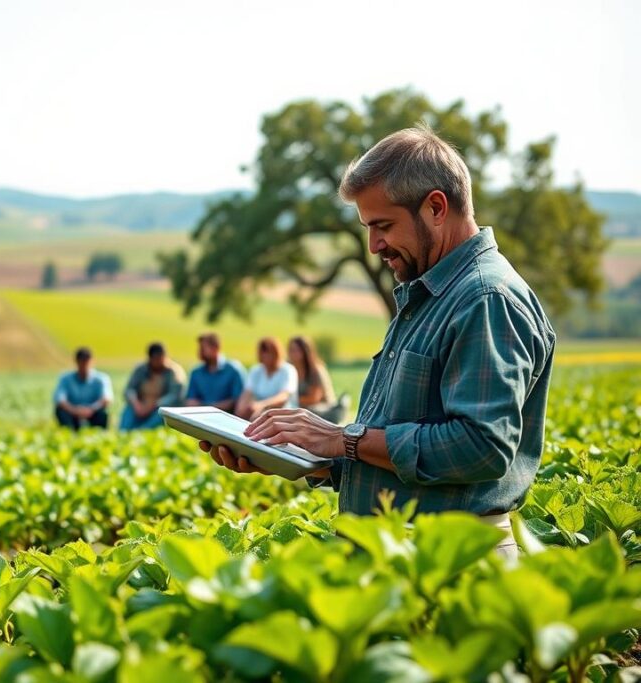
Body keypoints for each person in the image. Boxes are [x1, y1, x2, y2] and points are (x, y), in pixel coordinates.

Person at [202, 127, 555, 558]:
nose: (374, 245)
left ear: (436, 207)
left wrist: (345, 439)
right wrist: (295, 456)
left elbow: (481, 448)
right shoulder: (429, 296)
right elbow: (401, 455)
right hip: (402, 556)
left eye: (383, 225)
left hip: (453, 563)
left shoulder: (484, 299)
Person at [120, 342, 186, 430]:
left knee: (159, 416)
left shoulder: (174, 372)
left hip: (160, 408)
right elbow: (129, 390)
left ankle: (142, 431)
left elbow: (175, 395)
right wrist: (136, 404)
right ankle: (124, 432)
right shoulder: (141, 370)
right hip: (141, 405)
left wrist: (155, 405)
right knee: (128, 411)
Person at [286, 335, 347, 423]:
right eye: (291, 350)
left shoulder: (316, 370)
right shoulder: (289, 369)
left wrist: (289, 400)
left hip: (322, 408)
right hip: (300, 406)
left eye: (296, 350)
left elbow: (313, 398)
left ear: (305, 352)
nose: (293, 353)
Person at [235, 337, 298, 420]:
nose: (265, 356)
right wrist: (240, 409)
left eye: (269, 353)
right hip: (259, 413)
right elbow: (247, 393)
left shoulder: (288, 370)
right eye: (263, 352)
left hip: (283, 414)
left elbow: (283, 397)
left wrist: (261, 405)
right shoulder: (256, 370)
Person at [185, 332, 247, 413]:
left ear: (216, 348)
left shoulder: (234, 370)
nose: (200, 352)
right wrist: (213, 406)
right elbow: (190, 401)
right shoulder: (196, 372)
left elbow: (236, 401)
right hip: (200, 416)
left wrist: (204, 406)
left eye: (203, 348)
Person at [53, 347, 112, 430]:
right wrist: (75, 410)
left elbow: (106, 399)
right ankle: (69, 433)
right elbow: (59, 399)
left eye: (86, 363)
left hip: (93, 412)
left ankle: (99, 434)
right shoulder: (66, 378)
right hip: (72, 412)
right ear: (76, 362)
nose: (84, 366)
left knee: (103, 413)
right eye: (82, 363)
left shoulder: (101, 378)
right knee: (60, 411)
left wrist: (90, 409)